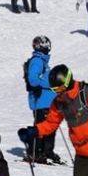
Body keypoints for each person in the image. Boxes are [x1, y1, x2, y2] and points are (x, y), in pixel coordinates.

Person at [23, 35, 62, 164]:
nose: (47, 47)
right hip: (41, 101)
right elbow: (33, 80)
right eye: (45, 45)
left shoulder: (42, 61)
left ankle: (47, 150)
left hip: (47, 101)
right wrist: (51, 83)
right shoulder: (37, 61)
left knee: (50, 126)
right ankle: (36, 152)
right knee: (42, 127)